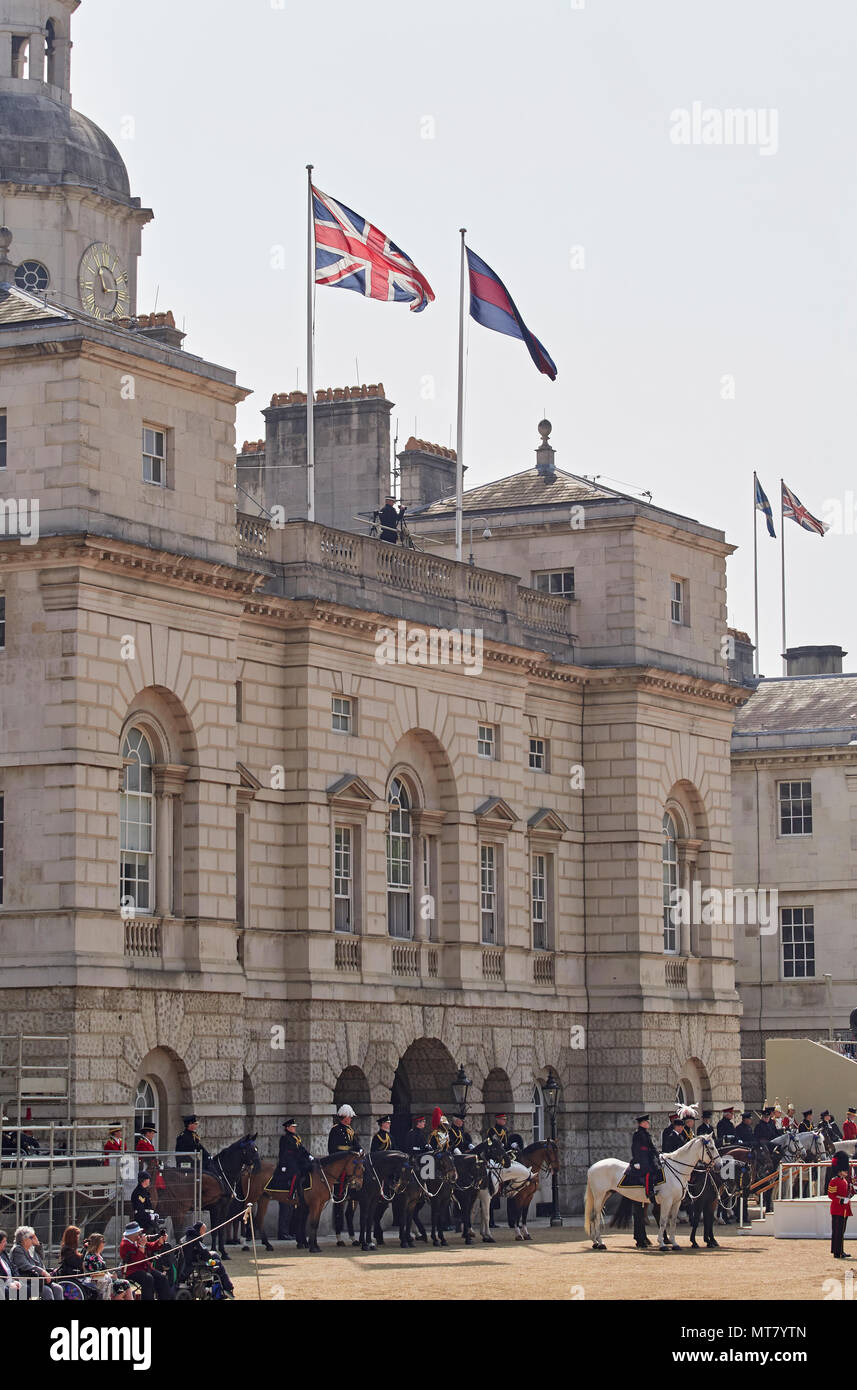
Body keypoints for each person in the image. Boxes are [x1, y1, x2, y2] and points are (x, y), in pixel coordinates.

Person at [630, 1115, 661, 1249]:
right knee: (648, 1171)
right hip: (641, 1160)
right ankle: (649, 1190)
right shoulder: (637, 1134)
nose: (648, 1123)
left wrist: (658, 1155)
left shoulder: (646, 1134)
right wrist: (636, 1161)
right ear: (642, 1123)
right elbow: (635, 1149)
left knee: (656, 1168)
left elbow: (651, 1147)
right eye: (646, 1122)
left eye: (648, 1121)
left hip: (648, 1158)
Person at [8, 1225, 63, 1301]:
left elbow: (41, 1258)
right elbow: (25, 1266)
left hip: (39, 1280)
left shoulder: (31, 1249)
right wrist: (43, 1272)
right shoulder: (17, 1249)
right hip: (27, 1281)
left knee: (58, 1288)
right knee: (47, 1291)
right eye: (31, 1237)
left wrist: (38, 1245)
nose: (34, 1239)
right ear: (24, 1239)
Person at [182, 1221, 235, 1298]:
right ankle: (227, 1288)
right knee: (218, 1263)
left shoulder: (186, 1237)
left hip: (190, 1262)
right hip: (197, 1264)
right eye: (203, 1231)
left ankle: (219, 1289)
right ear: (200, 1230)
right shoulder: (196, 1238)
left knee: (215, 1255)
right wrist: (210, 1257)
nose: (204, 1233)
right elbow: (205, 1255)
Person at [83, 1233, 133, 1301]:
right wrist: (110, 1276)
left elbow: (103, 1271)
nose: (104, 1243)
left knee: (124, 1287)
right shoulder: (91, 1257)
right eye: (103, 1241)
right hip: (98, 1283)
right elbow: (95, 1274)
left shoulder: (97, 1255)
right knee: (124, 1284)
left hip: (105, 1280)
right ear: (97, 1243)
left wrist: (111, 1275)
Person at [53, 1224, 98, 1301]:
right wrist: (85, 1249)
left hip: (75, 1275)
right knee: (92, 1290)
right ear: (72, 1237)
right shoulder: (67, 1249)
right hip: (70, 1275)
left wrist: (84, 1248)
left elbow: (78, 1258)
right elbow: (78, 1262)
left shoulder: (70, 1248)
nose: (78, 1238)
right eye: (77, 1236)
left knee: (94, 1288)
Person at [828, 1151, 854, 1259]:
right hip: (838, 1208)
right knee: (837, 1231)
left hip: (844, 1209)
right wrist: (842, 1201)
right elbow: (831, 1195)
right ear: (839, 1170)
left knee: (841, 1231)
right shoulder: (834, 1181)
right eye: (844, 1170)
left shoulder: (845, 1180)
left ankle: (839, 1250)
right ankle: (837, 1252)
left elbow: (847, 1192)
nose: (846, 1171)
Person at [135, 1122, 166, 1191]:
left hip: (150, 1164)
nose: (153, 1135)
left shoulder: (147, 1142)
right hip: (145, 1165)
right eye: (152, 1133)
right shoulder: (142, 1143)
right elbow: (147, 1156)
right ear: (147, 1133)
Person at [0, 1230, 24, 1300]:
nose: (6, 1243)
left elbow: (13, 1267)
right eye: (4, 1241)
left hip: (12, 1282)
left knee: (25, 1289)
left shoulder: (3, 1253)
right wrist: (9, 1284)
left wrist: (15, 1280)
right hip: (3, 1285)